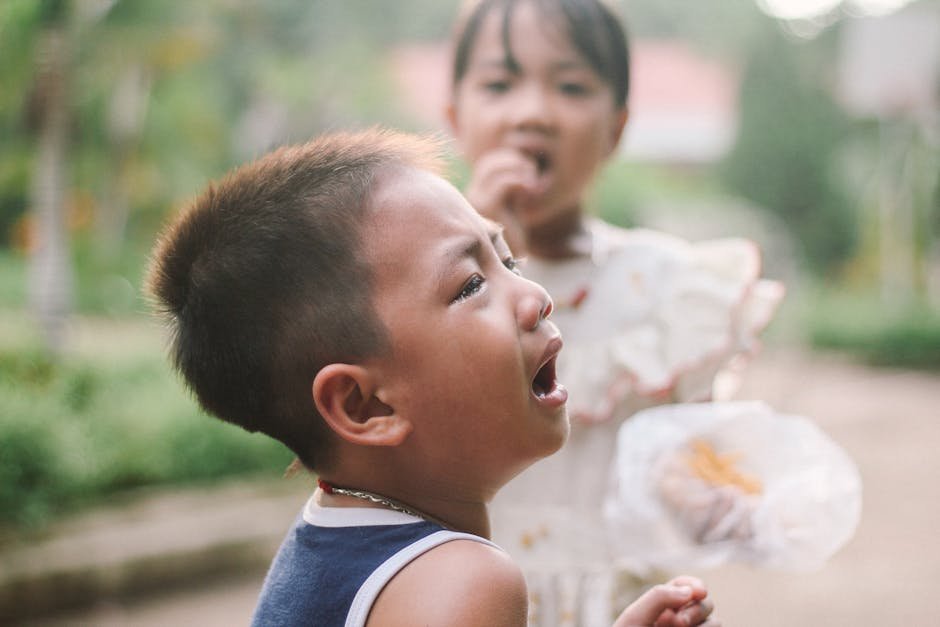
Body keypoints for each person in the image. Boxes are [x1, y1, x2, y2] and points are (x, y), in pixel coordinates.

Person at [146, 128, 720, 626]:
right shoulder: (463, 581)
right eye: (471, 284)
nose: (536, 297)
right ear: (365, 406)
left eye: (508, 261)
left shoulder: (330, 546)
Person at [445, 0, 783, 624]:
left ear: (617, 126)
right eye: (499, 83)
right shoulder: (427, 287)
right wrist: (474, 252)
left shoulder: (666, 289)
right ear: (454, 117)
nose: (533, 112)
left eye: (570, 85)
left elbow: (696, 463)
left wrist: (712, 499)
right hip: (475, 603)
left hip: (624, 605)